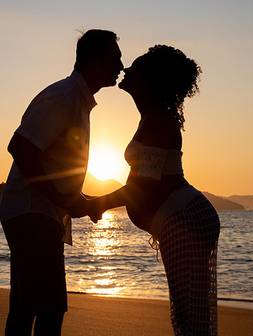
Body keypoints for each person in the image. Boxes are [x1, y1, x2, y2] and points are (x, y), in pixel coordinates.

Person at [0, 29, 123, 336]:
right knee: (48, 308)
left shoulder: (76, 100)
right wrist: (62, 199)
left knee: (30, 305)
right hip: (32, 213)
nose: (121, 65)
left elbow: (55, 165)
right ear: (94, 60)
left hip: (38, 213)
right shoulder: (64, 97)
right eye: (115, 57)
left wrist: (76, 199)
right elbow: (21, 147)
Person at [93, 45, 220, 336]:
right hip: (179, 218)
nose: (126, 70)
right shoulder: (151, 119)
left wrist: (95, 204)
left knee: (190, 316)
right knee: (187, 313)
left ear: (150, 81)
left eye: (134, 68)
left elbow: (141, 187)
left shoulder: (158, 122)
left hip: (184, 219)